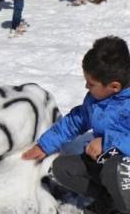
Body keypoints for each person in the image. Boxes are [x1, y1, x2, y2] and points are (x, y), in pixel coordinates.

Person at [23, 36, 130, 214]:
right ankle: (110, 201)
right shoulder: (95, 99)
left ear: (114, 86)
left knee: (114, 170)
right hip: (106, 163)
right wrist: (45, 145)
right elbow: (76, 120)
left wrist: (107, 142)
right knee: (62, 168)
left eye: (91, 83)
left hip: (123, 168)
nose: (86, 86)